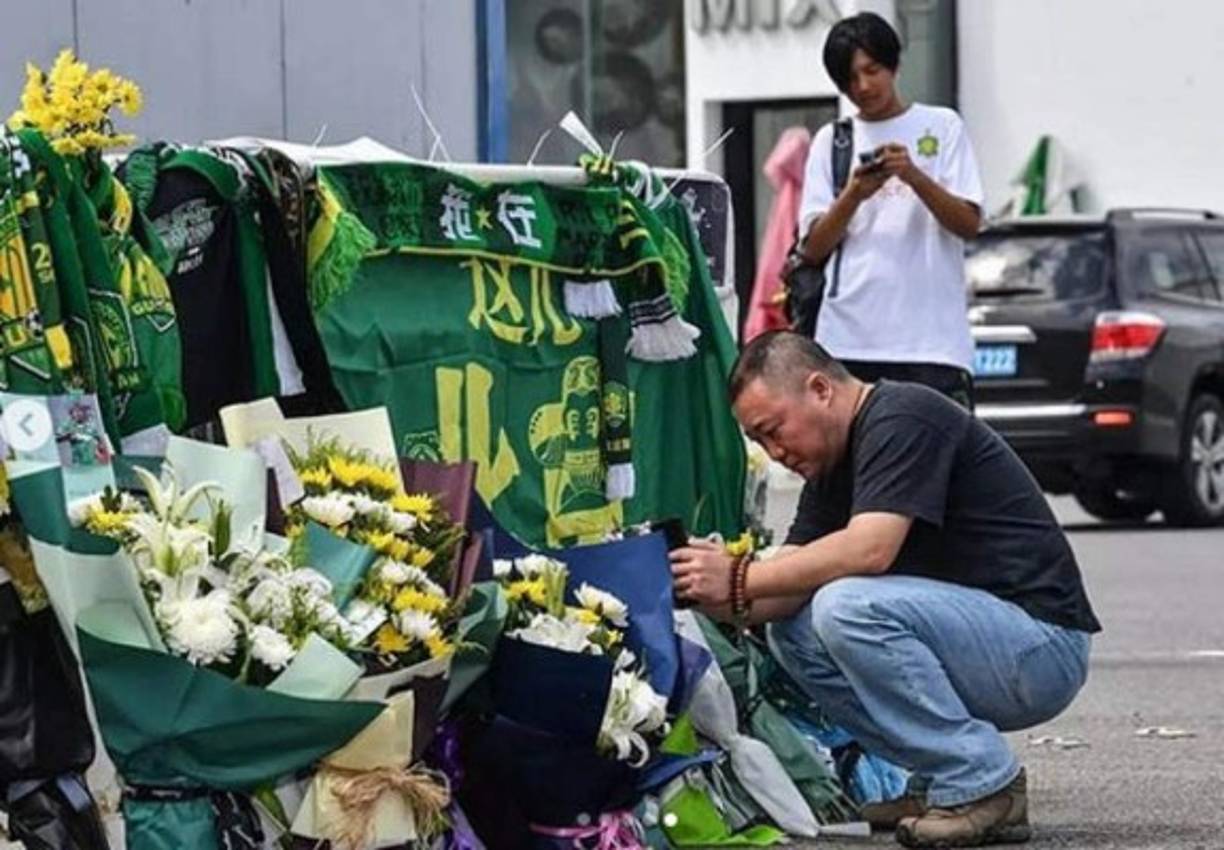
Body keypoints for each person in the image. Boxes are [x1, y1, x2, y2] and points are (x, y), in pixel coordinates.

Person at [670, 331, 1100, 848]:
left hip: (1041, 647)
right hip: (988, 645)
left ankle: (982, 782)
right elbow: (784, 584)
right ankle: (941, 777)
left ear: (820, 389)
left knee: (844, 606)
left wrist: (738, 576)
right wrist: (705, 593)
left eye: (773, 430)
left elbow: (869, 549)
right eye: (760, 442)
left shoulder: (904, 418)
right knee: (794, 630)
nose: (774, 452)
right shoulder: (831, 466)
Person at [799, 12, 983, 409]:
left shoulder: (942, 126)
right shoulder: (833, 141)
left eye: (872, 70)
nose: (864, 86)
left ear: (894, 64)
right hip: (848, 338)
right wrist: (854, 193)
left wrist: (913, 176)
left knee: (938, 463)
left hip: (933, 344)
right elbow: (812, 249)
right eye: (850, 79)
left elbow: (968, 223)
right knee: (855, 465)